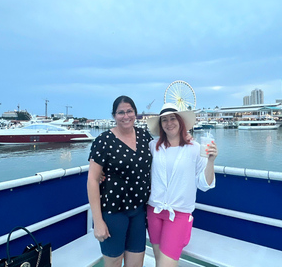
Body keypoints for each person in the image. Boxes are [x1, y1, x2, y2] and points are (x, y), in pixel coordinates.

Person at [146, 103, 217, 267]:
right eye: (164, 120)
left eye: (172, 118)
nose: (169, 123)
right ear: (160, 124)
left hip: (178, 214)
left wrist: (211, 161)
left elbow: (204, 184)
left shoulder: (195, 149)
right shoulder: (152, 146)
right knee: (159, 262)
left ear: (180, 121)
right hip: (154, 211)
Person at [87, 95, 152, 267]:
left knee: (136, 262)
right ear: (114, 116)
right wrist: (98, 221)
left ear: (135, 113)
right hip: (113, 213)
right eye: (120, 112)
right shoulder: (103, 141)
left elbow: (165, 148)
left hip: (138, 211)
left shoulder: (144, 136)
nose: (126, 116)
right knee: (114, 262)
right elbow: (93, 180)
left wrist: (186, 138)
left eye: (129, 111)